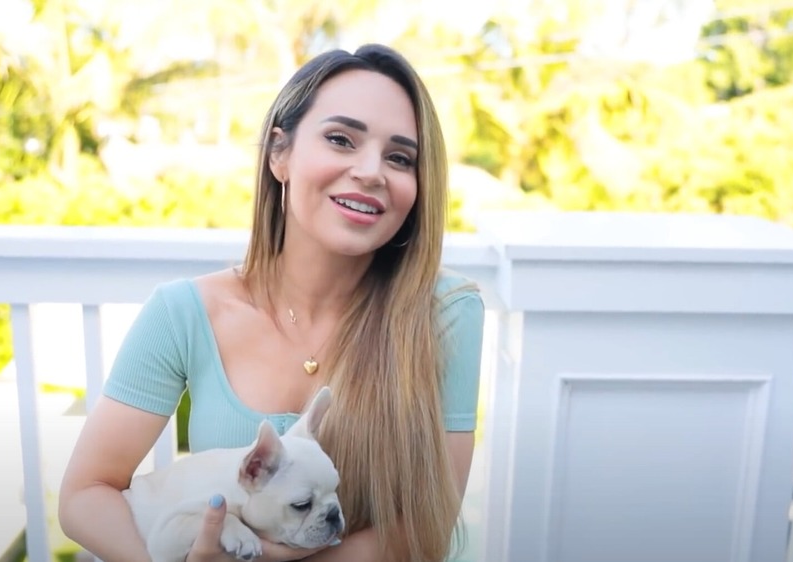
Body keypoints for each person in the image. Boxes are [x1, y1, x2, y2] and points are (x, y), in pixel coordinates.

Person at [57, 43, 486, 562]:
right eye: (340, 139)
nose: (372, 170)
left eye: (400, 157)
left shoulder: (444, 314)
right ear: (278, 153)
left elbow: (427, 527)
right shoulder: (184, 313)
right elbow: (84, 495)